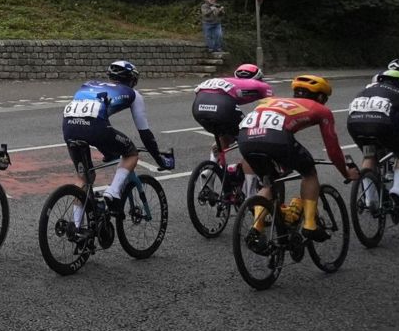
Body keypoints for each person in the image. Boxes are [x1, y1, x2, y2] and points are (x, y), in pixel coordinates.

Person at [60, 61, 176, 226]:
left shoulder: (89, 84)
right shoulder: (132, 94)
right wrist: (159, 160)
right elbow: (145, 134)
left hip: (69, 127)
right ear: (132, 80)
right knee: (131, 153)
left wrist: (108, 152)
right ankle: (113, 192)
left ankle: (77, 227)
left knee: (84, 177)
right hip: (95, 127)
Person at [238, 75, 354, 239]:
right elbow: (333, 149)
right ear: (321, 97)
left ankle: (256, 227)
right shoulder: (321, 109)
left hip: (245, 138)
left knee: (268, 182)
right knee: (309, 173)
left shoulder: (271, 101)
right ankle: (309, 225)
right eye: (325, 98)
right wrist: (345, 172)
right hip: (275, 139)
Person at [345, 70, 399, 214]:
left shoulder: (364, 90)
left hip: (354, 125)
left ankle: (370, 199)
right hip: (381, 126)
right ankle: (397, 190)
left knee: (370, 155)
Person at [191, 62, 273, 196]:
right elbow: (273, 109)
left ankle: (210, 171)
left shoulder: (229, 81)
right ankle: (250, 193)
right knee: (250, 140)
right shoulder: (262, 85)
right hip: (222, 106)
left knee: (224, 136)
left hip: (199, 105)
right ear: (259, 77)